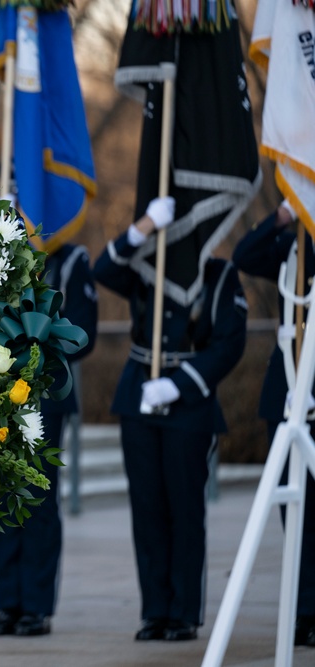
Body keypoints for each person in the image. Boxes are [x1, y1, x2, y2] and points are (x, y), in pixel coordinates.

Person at [93, 196, 247, 641]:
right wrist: (140, 228)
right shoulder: (147, 263)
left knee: (184, 509)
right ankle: (154, 610)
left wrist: (180, 384)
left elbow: (229, 344)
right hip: (139, 395)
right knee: (147, 511)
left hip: (188, 404)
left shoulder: (219, 276)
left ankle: (183, 612)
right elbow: (103, 270)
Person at [0, 239, 98, 637]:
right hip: (1, 392)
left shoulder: (69, 259)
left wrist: (37, 350)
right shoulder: (0, 251)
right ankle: (8, 603)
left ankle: (36, 605)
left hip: (47, 393)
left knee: (37, 499)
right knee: (2, 498)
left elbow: (84, 331)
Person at [232, 200, 315, 647]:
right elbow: (245, 254)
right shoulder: (292, 244)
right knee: (296, 514)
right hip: (286, 394)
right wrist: (284, 215)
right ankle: (304, 611)